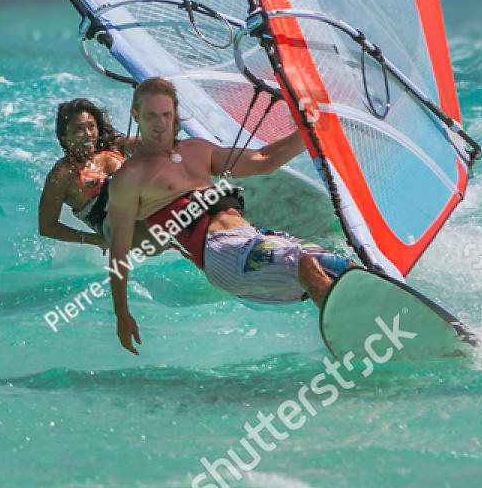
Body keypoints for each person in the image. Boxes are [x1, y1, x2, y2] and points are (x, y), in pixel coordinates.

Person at [104, 77, 355, 356]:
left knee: (344, 268)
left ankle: (374, 324)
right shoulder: (130, 177)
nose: (160, 123)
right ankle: (353, 347)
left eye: (166, 114)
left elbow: (263, 159)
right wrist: (121, 313)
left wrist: (315, 126)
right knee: (305, 264)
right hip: (220, 253)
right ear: (136, 116)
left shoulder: (196, 150)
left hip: (253, 238)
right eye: (151, 115)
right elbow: (119, 249)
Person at [37, 98, 154, 250]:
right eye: (79, 129)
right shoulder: (62, 175)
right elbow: (47, 227)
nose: (88, 134)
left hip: (148, 210)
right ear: (64, 136)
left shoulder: (114, 147)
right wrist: (94, 240)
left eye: (91, 127)